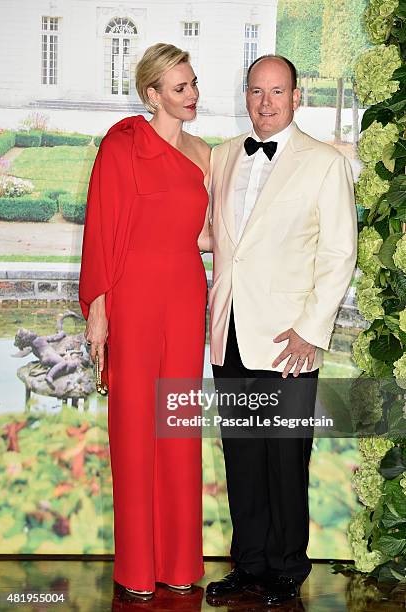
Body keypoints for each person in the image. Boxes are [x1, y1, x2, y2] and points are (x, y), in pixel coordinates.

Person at [206, 55, 357, 606]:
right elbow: (213, 239)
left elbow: (340, 253)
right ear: (245, 97)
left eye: (277, 92)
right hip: (231, 332)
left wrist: (311, 331)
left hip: (290, 340)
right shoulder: (224, 157)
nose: (265, 102)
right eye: (256, 92)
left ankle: (287, 568)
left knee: (285, 455)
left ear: (297, 97)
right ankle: (247, 566)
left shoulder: (323, 163)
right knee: (241, 455)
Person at [78, 43, 212, 598]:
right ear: (152, 94)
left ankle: (180, 562)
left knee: (176, 426)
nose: (192, 96)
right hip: (132, 297)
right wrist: (100, 314)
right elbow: (102, 231)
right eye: (179, 88)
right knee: (135, 427)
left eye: (193, 84)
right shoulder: (122, 144)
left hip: (184, 294)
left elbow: (204, 237)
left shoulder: (205, 153)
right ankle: (136, 567)